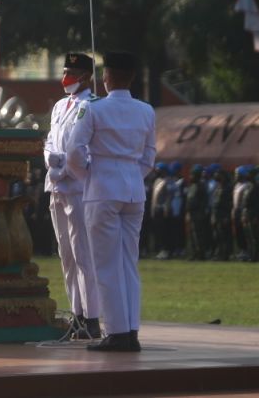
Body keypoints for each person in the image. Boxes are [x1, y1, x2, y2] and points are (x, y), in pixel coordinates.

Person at [67, 51, 156, 352]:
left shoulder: (94, 110)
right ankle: (130, 330)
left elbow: (74, 152)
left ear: (106, 78)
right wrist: (133, 174)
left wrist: (88, 177)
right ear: (130, 78)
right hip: (133, 188)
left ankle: (117, 333)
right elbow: (149, 155)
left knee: (105, 264)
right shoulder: (146, 111)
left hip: (102, 187)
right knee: (128, 262)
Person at [43, 52, 101, 339]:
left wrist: (64, 166)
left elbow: (87, 148)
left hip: (78, 186)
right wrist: (51, 162)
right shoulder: (59, 106)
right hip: (56, 186)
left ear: (86, 77)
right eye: (65, 71)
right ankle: (76, 313)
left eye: (72, 73)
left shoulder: (92, 106)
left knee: (82, 254)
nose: (66, 78)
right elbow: (51, 140)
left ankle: (91, 317)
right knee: (65, 254)